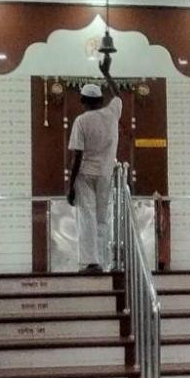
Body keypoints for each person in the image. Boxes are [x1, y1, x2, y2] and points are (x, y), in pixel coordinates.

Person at [66, 81, 123, 275]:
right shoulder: (112, 114)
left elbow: (77, 156)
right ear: (100, 100)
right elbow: (118, 95)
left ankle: (91, 262)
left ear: (83, 101)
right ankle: (103, 260)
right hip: (105, 175)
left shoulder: (81, 121)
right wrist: (107, 73)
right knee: (102, 218)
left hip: (85, 175)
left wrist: (70, 185)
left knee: (87, 217)